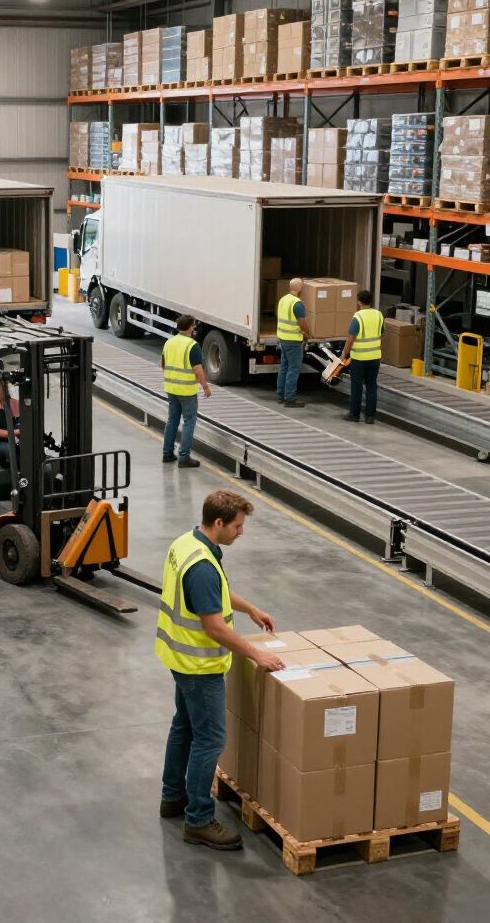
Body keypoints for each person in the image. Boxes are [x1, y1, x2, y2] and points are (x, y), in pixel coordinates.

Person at [157, 490, 283, 850]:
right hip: (199, 665)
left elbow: (218, 594)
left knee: (184, 726)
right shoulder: (201, 567)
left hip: (180, 659)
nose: (240, 533)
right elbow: (214, 627)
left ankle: (172, 797)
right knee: (210, 739)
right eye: (238, 526)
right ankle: (197, 819)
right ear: (218, 523)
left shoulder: (188, 543)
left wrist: (250, 609)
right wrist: (256, 655)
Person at [161, 314, 211, 469]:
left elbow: (162, 364)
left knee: (172, 420)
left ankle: (167, 453)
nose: (194, 327)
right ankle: (184, 457)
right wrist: (206, 387)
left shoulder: (169, 342)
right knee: (189, 422)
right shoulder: (192, 345)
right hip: (187, 391)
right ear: (190, 327)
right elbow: (198, 370)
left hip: (171, 388)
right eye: (194, 325)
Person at [341, 289, 385, 424]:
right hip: (375, 357)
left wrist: (344, 354)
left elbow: (351, 339)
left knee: (357, 386)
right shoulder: (379, 315)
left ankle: (354, 414)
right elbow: (381, 332)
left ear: (359, 302)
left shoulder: (358, 317)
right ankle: (370, 416)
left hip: (359, 358)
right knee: (371, 386)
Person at [276, 277, 314, 409]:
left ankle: (280, 396)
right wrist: (308, 333)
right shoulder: (297, 303)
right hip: (293, 340)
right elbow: (302, 322)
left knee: (284, 367)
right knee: (293, 368)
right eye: (302, 286)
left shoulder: (283, 299)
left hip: (283, 338)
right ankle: (290, 399)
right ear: (299, 288)